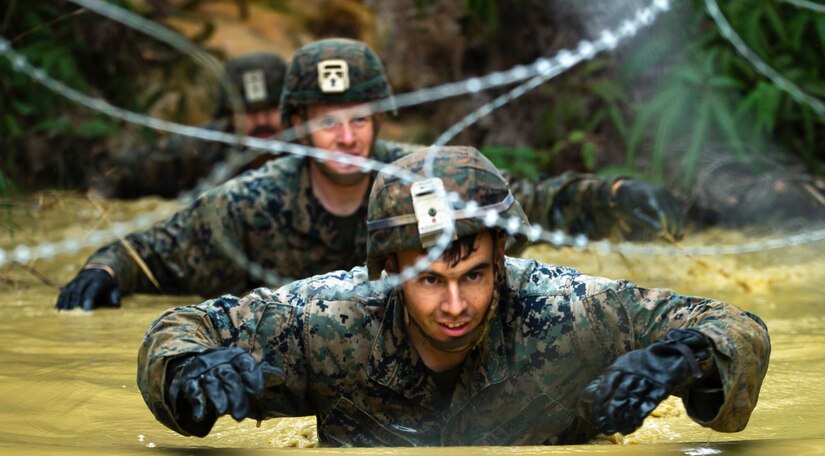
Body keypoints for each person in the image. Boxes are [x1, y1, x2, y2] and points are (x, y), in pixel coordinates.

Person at [137, 145, 771, 447]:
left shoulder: (571, 312)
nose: (455, 305)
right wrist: (189, 374)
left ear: (500, 258)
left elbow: (734, 323)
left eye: (474, 274)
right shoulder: (328, 322)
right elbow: (181, 325)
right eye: (429, 281)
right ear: (388, 270)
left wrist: (685, 359)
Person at [57, 37, 683, 312]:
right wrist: (104, 269)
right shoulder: (249, 203)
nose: (347, 138)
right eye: (327, 122)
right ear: (297, 122)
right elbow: (157, 249)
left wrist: (619, 195)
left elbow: (531, 203)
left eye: (358, 119)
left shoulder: (424, 176)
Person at [89, 51, 287, 200]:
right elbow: (120, 170)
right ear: (229, 116)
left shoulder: (310, 144)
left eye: (271, 109)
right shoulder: (203, 148)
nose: (262, 121)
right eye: (249, 112)